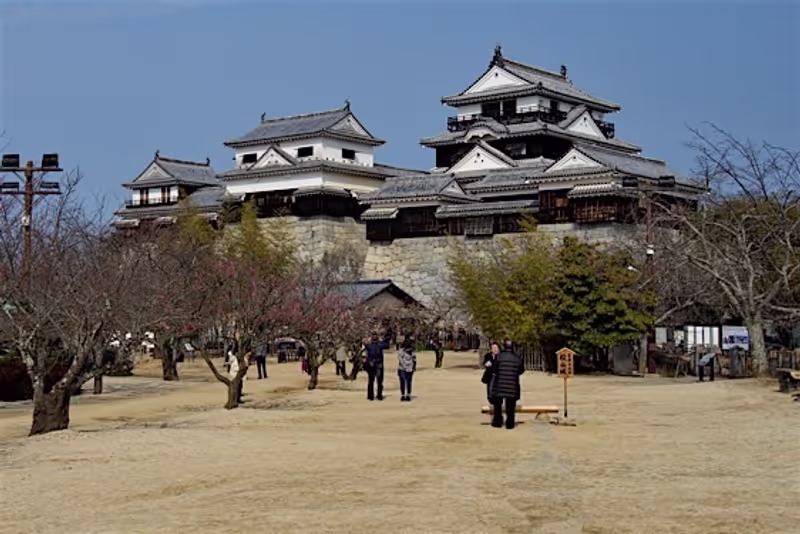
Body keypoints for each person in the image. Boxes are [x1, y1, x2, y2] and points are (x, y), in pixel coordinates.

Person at [489, 341, 525, 429]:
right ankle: (510, 423)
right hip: (512, 384)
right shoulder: (517, 357)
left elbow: (494, 369)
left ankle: (497, 422)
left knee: (498, 405)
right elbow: (521, 370)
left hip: (499, 384)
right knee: (510, 406)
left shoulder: (499, 356)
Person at [364, 333, 389, 401]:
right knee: (375, 381)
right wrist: (382, 339)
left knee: (375, 381)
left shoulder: (372, 344)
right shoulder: (376, 344)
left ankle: (374, 396)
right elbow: (386, 345)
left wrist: (368, 339)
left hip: (377, 363)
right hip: (374, 363)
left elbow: (387, 345)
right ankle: (375, 396)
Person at [397, 336, 417, 401]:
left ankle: (408, 395)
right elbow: (400, 359)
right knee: (402, 382)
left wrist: (413, 366)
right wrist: (404, 366)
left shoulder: (412, 351)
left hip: (410, 368)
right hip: (402, 368)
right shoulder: (401, 351)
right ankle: (403, 395)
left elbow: (414, 359)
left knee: (409, 382)